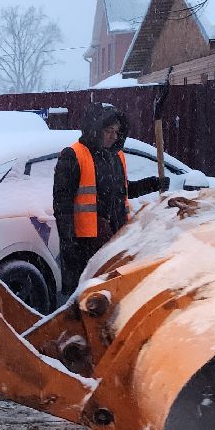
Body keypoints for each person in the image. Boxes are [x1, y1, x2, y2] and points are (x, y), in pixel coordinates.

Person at [52, 102, 164, 297]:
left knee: (112, 295)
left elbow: (123, 191)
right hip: (84, 246)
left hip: (115, 238)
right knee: (87, 299)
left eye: (116, 132)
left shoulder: (116, 156)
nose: (114, 136)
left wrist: (153, 184)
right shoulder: (74, 156)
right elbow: (62, 205)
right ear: (95, 129)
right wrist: (69, 243)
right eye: (109, 131)